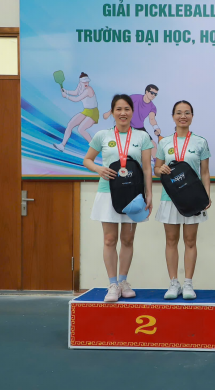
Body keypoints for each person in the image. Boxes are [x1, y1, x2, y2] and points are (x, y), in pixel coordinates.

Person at [84, 94, 153, 302]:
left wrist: (149, 194)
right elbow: (87, 160)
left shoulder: (142, 137)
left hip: (134, 194)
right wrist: (99, 169)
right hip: (108, 193)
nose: (123, 113)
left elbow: (147, 168)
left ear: (132, 111)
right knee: (109, 239)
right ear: (113, 112)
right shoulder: (102, 135)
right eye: (119, 109)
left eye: (127, 109)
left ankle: (123, 281)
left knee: (128, 239)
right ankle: (112, 284)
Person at [154, 100, 211, 300]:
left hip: (194, 198)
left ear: (192, 116)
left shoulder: (200, 142)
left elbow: (205, 172)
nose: (183, 116)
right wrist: (160, 169)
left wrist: (207, 195)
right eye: (179, 113)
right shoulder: (164, 142)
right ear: (173, 116)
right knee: (171, 240)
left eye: (187, 113)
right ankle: (173, 283)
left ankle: (188, 283)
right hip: (170, 198)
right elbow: (156, 169)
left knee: (190, 241)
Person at [104, 84, 161, 153]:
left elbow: (152, 119)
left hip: (140, 128)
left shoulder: (152, 107)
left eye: (155, 94)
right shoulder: (135, 98)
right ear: (146, 91)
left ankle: (155, 161)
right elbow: (120, 104)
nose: (153, 95)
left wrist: (156, 127)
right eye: (152, 93)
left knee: (153, 145)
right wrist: (108, 113)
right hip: (126, 125)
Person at [53, 72, 98, 151]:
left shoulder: (89, 90)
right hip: (86, 111)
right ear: (80, 82)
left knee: (81, 129)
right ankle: (62, 145)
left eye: (87, 81)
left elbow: (77, 99)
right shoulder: (80, 86)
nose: (86, 83)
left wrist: (66, 96)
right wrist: (66, 91)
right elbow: (75, 93)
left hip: (93, 112)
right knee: (70, 124)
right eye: (84, 82)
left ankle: (95, 147)